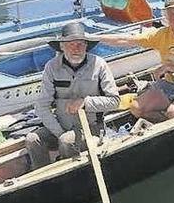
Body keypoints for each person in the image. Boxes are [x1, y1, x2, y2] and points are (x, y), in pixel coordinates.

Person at [99, 0, 174, 122]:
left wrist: (171, 68)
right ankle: (163, 124)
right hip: (170, 83)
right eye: (172, 13)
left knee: (172, 113)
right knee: (136, 108)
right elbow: (126, 39)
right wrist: (94, 39)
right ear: (166, 16)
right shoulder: (161, 35)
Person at [26, 22, 120, 170]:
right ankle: (42, 176)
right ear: (62, 46)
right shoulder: (51, 67)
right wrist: (59, 132)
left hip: (91, 127)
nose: (76, 48)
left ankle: (73, 176)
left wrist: (86, 102)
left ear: (86, 46)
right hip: (61, 125)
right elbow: (42, 106)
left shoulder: (99, 64)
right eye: (70, 44)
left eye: (80, 44)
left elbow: (115, 101)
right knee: (33, 139)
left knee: (67, 141)